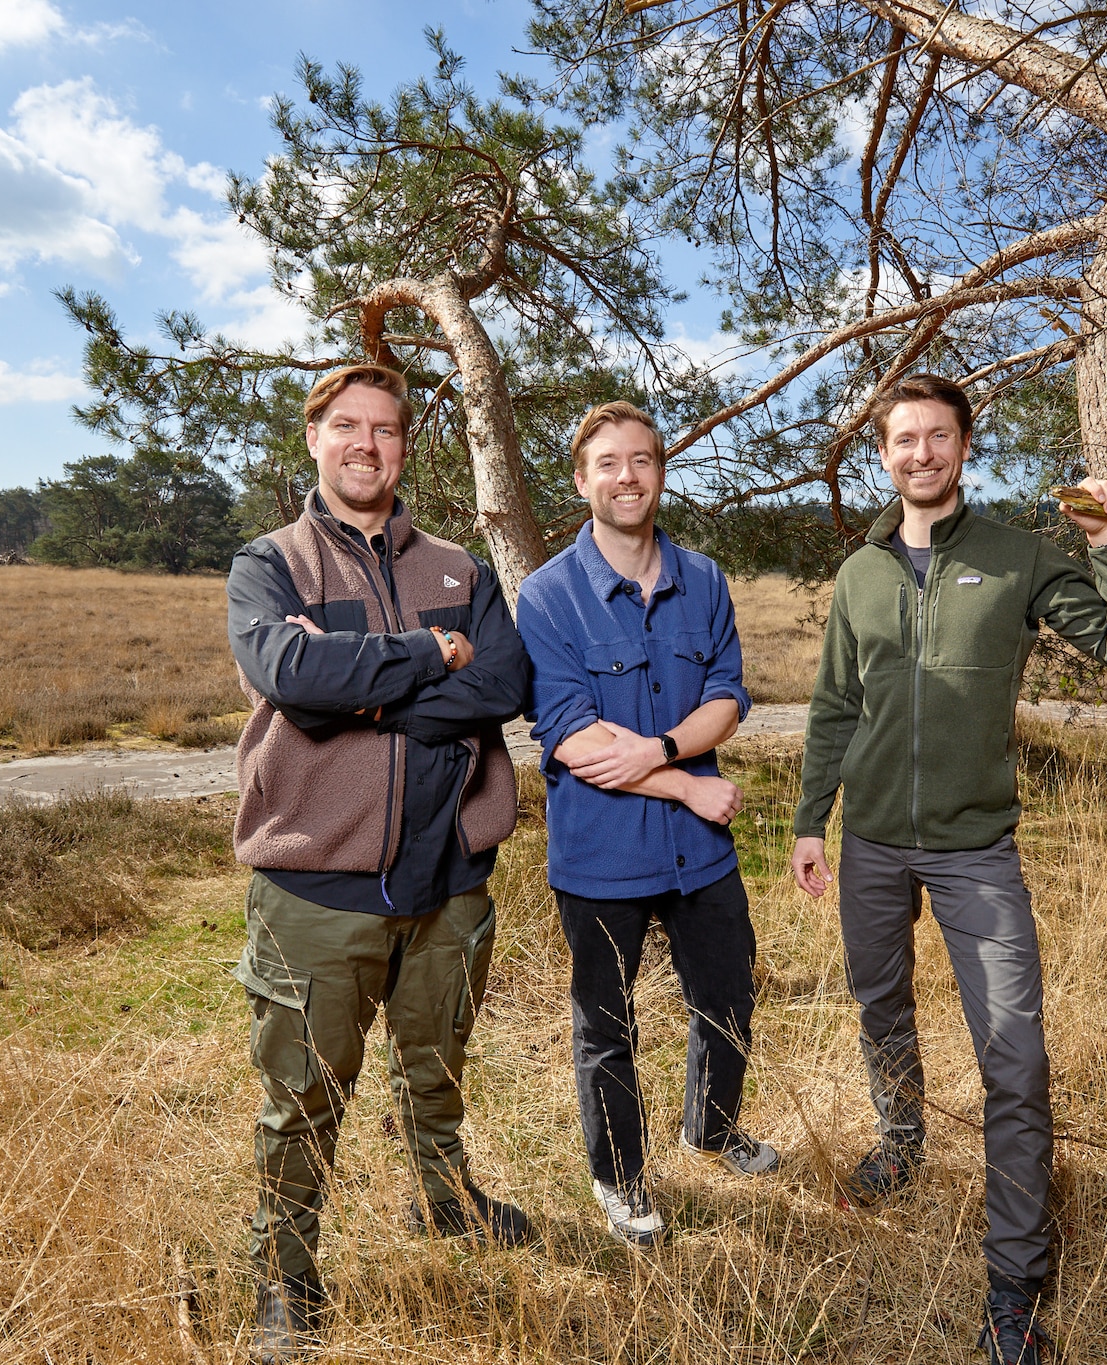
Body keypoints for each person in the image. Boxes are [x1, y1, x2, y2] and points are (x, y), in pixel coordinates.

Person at [788, 375, 1107, 1364]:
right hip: (872, 842)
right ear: (883, 454)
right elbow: (834, 707)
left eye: (937, 436)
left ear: (964, 446)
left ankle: (1013, 1289)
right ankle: (900, 1141)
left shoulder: (1016, 558)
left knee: (1014, 1057)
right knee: (880, 1004)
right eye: (902, 439)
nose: (919, 453)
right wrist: (810, 821)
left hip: (975, 851)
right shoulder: (859, 573)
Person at [224, 363, 533, 1359]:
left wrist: (359, 695)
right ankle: (286, 1280)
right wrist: (431, 655)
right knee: (304, 1097)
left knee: (436, 1066)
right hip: (319, 888)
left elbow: (505, 683)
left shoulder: (459, 569)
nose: (366, 444)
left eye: (386, 429)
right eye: (346, 426)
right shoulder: (270, 564)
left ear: (405, 445)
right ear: (314, 438)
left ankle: (444, 1199)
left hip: (452, 880)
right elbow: (291, 674)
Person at [514, 401, 778, 1248]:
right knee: (607, 1023)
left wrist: (658, 748)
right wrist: (686, 787)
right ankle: (621, 1178)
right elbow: (571, 734)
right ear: (581, 480)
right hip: (601, 853)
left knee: (728, 998)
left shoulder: (704, 579)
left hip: (700, 857)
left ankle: (712, 1128)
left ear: (660, 472)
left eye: (642, 460)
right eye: (608, 463)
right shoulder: (548, 595)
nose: (626, 477)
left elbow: (727, 696)